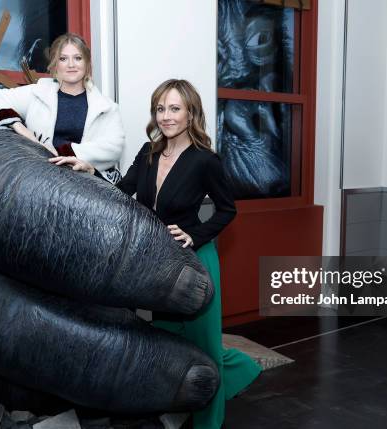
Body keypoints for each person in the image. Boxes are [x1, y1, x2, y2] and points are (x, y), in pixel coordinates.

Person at [66, 79, 261, 428]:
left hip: (196, 262)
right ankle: (243, 368)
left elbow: (227, 210)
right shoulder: (149, 152)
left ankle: (208, 423)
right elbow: (123, 192)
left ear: (190, 113)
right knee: (173, 344)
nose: (166, 116)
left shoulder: (205, 160)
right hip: (159, 265)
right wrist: (90, 170)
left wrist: (194, 234)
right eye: (161, 109)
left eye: (174, 108)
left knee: (205, 350)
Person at [0, 33, 124, 180]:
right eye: (63, 58)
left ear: (87, 63)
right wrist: (20, 128)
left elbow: (113, 147)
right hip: (40, 180)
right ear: (55, 64)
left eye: (78, 58)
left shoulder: (106, 107)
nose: (71, 64)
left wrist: (60, 155)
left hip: (87, 183)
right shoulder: (38, 93)